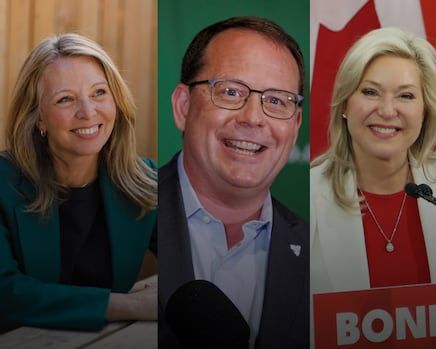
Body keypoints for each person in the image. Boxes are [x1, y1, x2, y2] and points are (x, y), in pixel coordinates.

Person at [158, 17, 309, 348]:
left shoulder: (321, 255)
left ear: (295, 125)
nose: (253, 118)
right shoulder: (127, 215)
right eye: (230, 91)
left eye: (276, 100)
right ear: (183, 107)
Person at [0, 33, 157, 332]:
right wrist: (129, 305)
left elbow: (193, 254)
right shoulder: (2, 184)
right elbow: (6, 292)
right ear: (39, 119)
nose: (88, 112)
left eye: (99, 93)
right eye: (65, 99)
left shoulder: (144, 180)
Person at [310, 27, 436, 293]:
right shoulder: (310, 194)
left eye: (405, 95)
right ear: (345, 104)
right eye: (370, 92)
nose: (386, 110)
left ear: (425, 110)